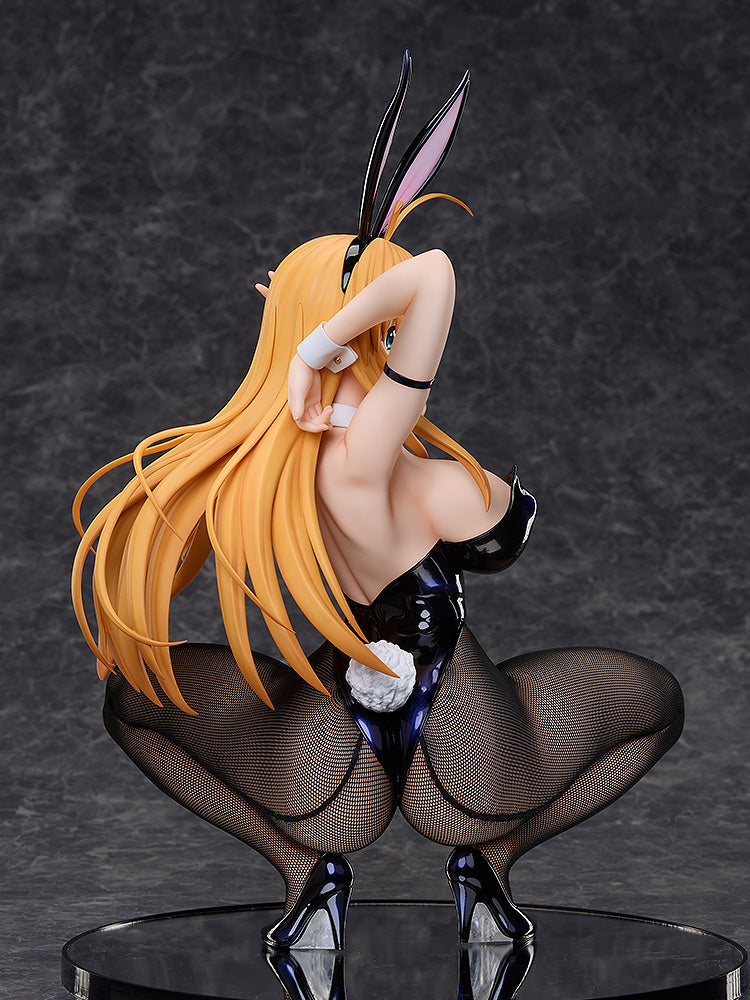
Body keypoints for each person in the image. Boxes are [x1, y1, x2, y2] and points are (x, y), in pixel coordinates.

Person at [71, 53, 684, 954]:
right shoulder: (359, 456)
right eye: (381, 328)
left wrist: (311, 339)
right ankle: (488, 862)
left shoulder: (281, 462)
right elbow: (433, 275)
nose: (394, 344)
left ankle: (306, 874)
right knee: (655, 701)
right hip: (467, 760)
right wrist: (319, 344)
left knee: (132, 703)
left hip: (325, 768)